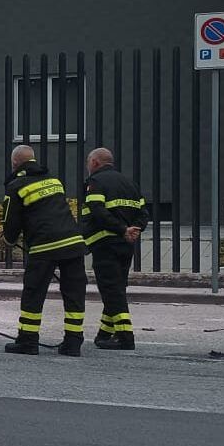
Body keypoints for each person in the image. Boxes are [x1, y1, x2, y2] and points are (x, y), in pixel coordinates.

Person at [0, 144, 89, 357]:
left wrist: (9, 240)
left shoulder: (16, 186)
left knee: (34, 292)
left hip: (43, 246)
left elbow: (11, 221)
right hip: (72, 243)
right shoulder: (55, 181)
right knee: (74, 293)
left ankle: (28, 341)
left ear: (14, 163)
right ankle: (73, 343)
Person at [81, 147, 148, 351]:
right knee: (116, 288)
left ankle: (125, 336)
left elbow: (97, 211)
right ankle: (105, 333)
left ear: (94, 163)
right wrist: (134, 230)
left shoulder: (96, 182)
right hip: (126, 245)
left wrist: (121, 229)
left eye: (88, 163)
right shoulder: (130, 184)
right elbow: (143, 212)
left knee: (111, 290)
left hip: (105, 243)